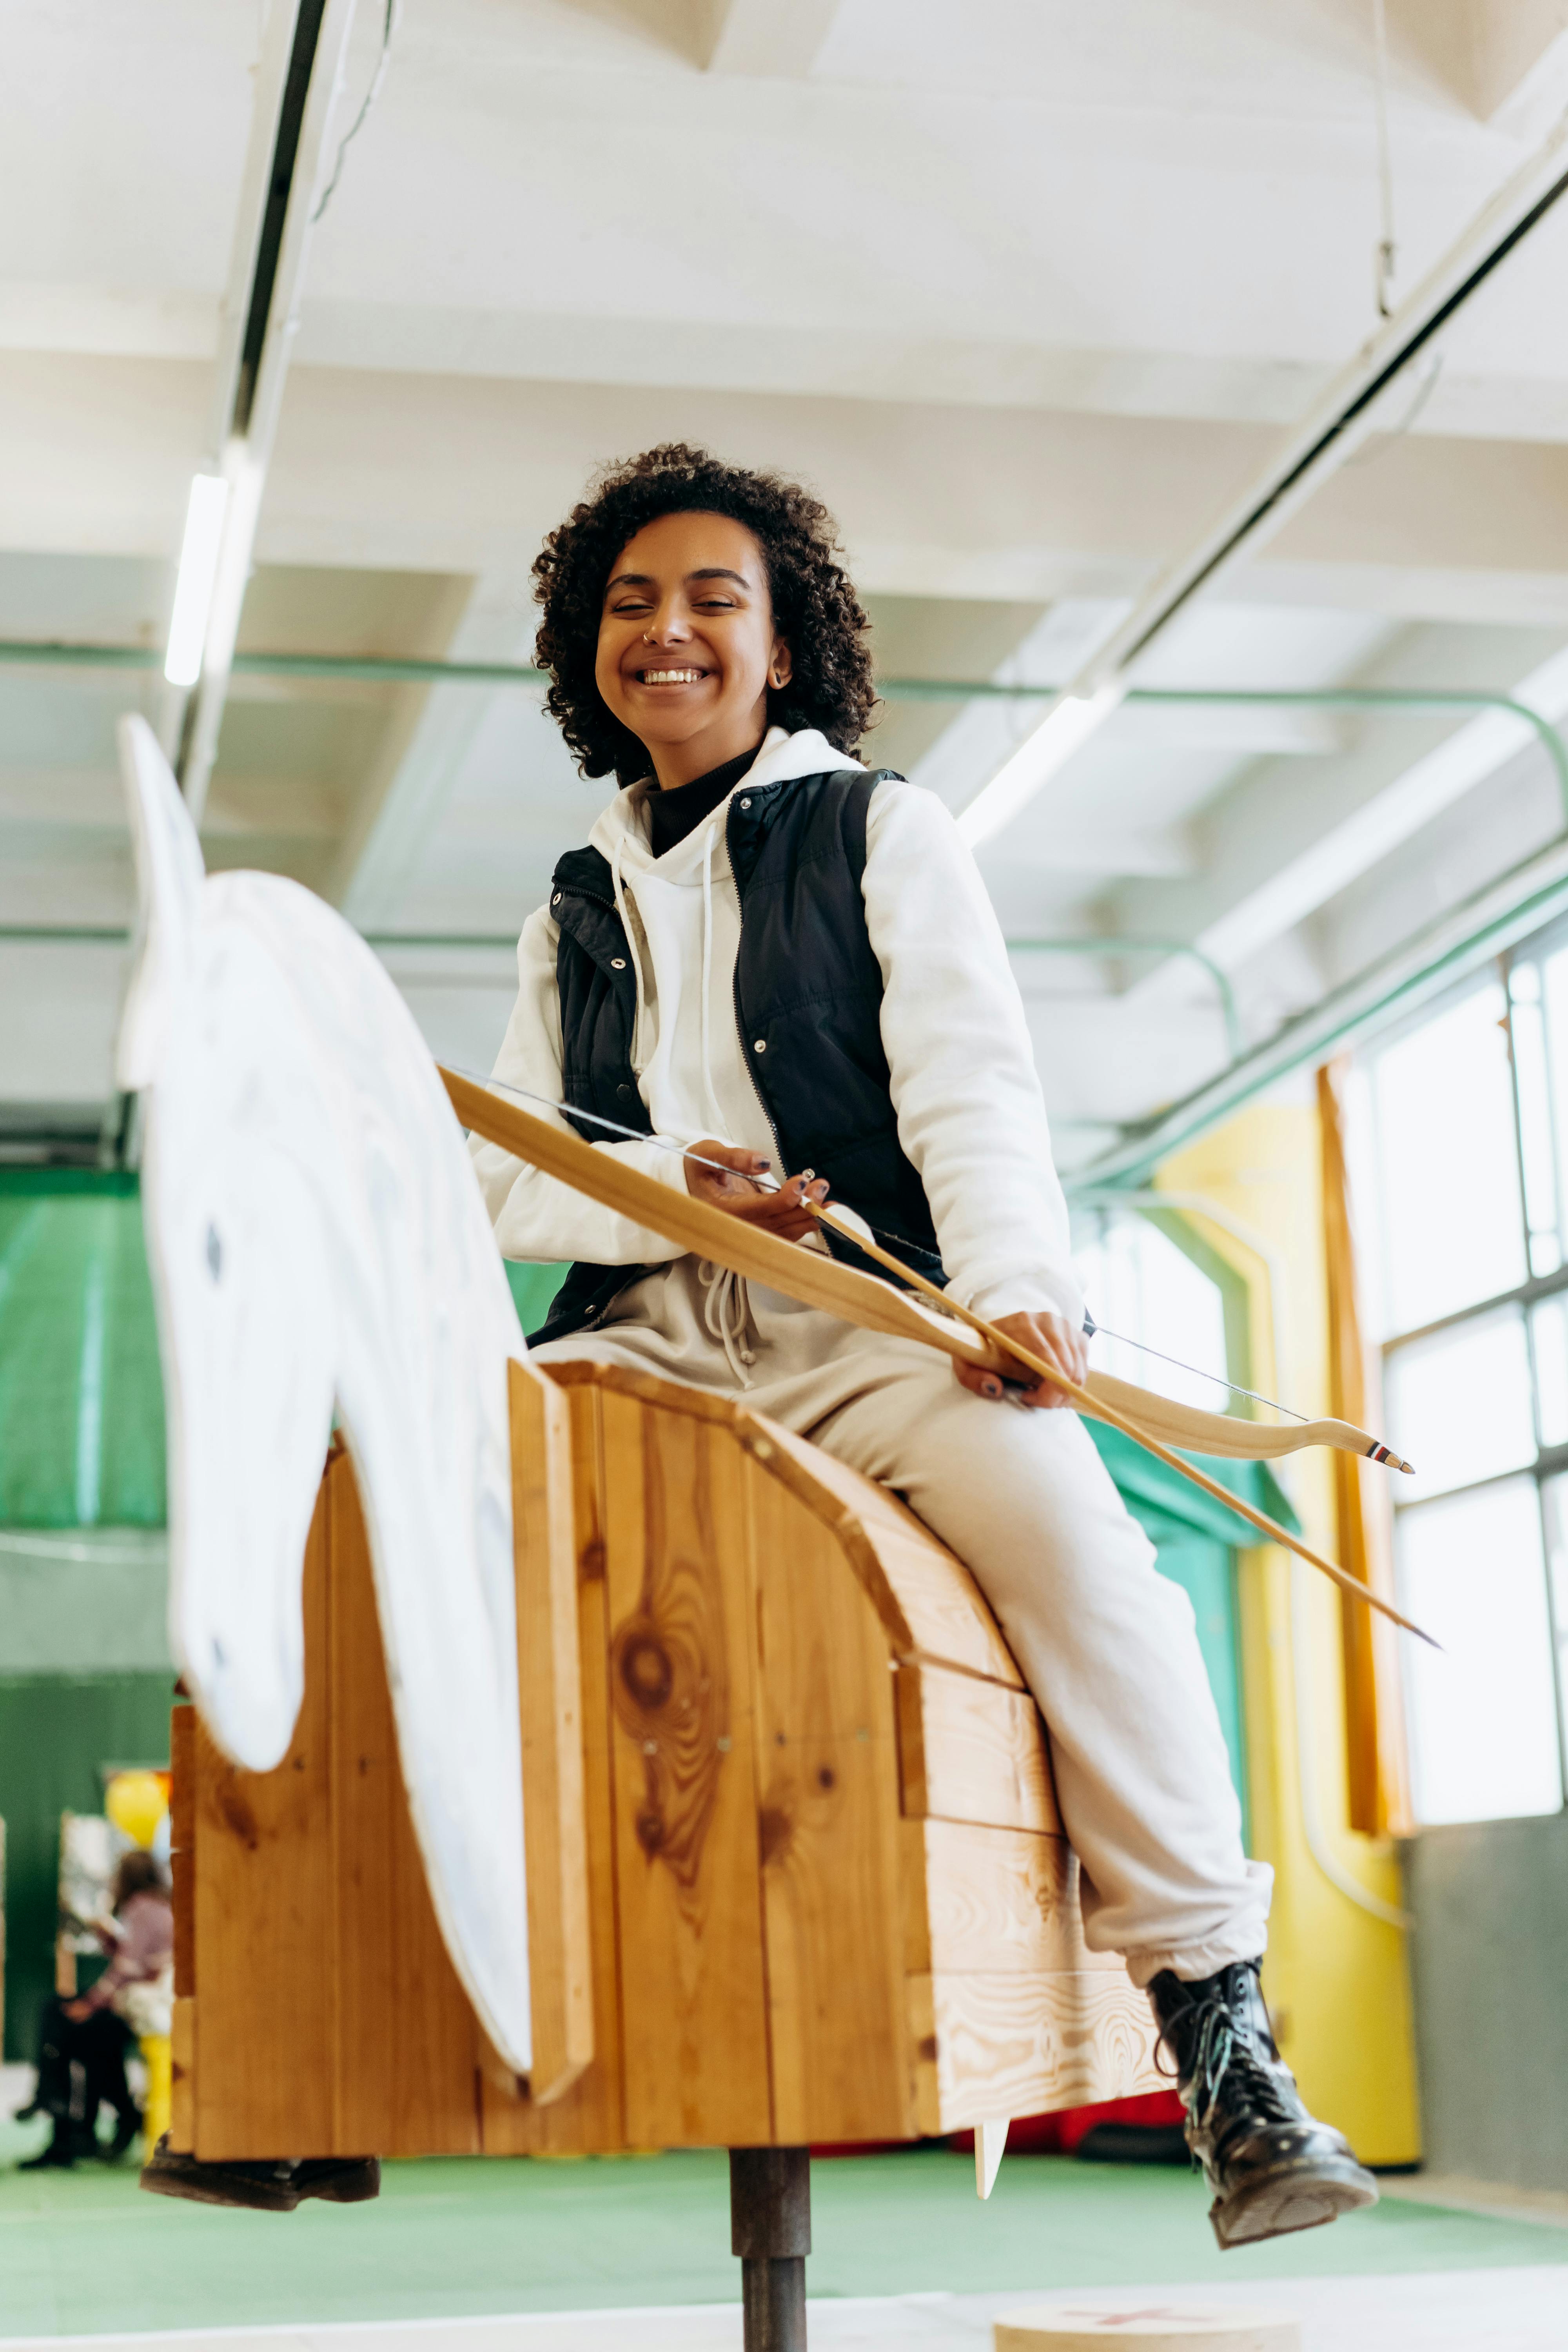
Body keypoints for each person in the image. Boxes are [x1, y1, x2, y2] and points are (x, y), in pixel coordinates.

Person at [470, 443, 1379, 2251]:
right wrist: (668, 1183)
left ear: (781, 643)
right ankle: (300, 2045)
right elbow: (513, 1193)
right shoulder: (563, 906)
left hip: (863, 1327)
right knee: (403, 1522)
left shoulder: (883, 828)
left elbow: (973, 1086)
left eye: (712, 599)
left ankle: (1220, 2036)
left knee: (1078, 1549)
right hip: (634, 1346)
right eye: (629, 604)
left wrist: (1016, 1283)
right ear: (588, 653)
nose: (668, 631)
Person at [17, 1849, 172, 2169]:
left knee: (63, 2022)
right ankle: (100, 2121)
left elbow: (128, 1969)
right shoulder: (159, 1906)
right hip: (140, 2005)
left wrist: (90, 2004)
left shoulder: (142, 1908)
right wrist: (110, 1941)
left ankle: (54, 2103)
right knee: (85, 2041)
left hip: (142, 2009)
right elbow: (138, 1959)